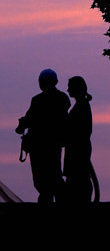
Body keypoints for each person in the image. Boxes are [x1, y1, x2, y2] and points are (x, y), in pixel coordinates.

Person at [16, 69, 70, 203]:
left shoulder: (38, 100)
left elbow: (30, 119)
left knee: (42, 178)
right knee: (54, 174)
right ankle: (56, 199)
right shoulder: (62, 98)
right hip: (53, 145)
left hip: (40, 146)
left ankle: (48, 199)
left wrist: (22, 125)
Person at [63, 76, 100, 204]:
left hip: (78, 149)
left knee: (78, 179)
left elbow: (79, 130)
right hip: (78, 148)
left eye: (70, 87)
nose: (67, 90)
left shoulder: (82, 106)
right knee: (78, 178)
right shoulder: (81, 105)